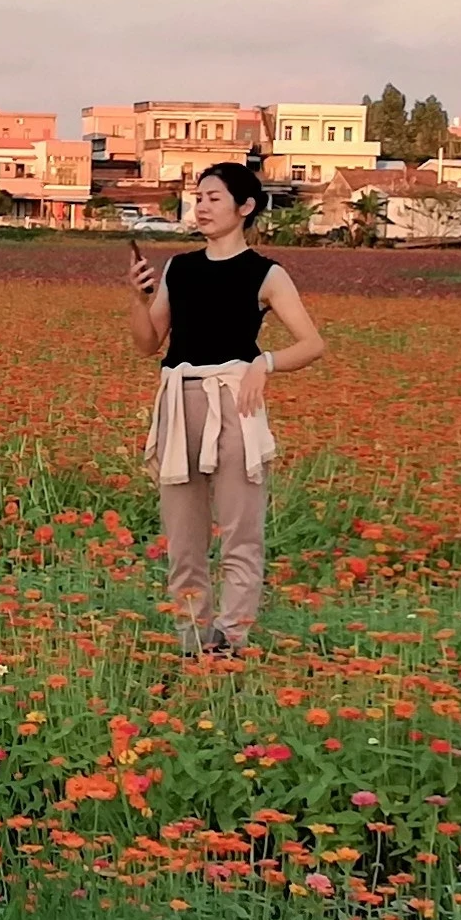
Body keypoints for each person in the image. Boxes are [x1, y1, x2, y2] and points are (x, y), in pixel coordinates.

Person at [124, 161, 327, 657]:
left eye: (214, 197)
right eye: (199, 196)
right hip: (180, 400)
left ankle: (232, 641)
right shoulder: (180, 268)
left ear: (245, 207)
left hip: (236, 402)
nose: (203, 205)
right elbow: (148, 343)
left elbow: (312, 344)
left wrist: (266, 363)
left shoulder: (266, 273)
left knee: (241, 532)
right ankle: (193, 641)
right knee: (184, 537)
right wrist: (136, 295)